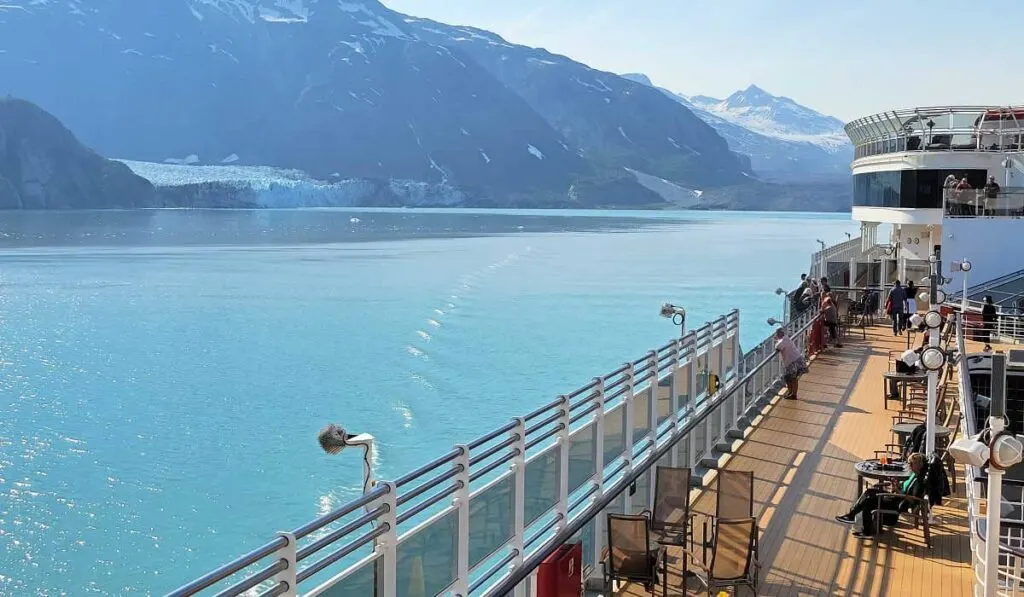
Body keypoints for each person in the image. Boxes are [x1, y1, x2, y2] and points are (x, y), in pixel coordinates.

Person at [835, 452, 927, 538]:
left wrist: (898, 491)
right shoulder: (913, 475)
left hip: (896, 503)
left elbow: (913, 500)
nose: (909, 466)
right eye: (909, 463)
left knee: (870, 501)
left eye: (911, 464)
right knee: (870, 492)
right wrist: (897, 485)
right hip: (895, 497)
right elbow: (905, 489)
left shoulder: (919, 481)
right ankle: (852, 515)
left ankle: (867, 531)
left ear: (918, 465)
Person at [775, 328, 807, 400]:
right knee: (789, 378)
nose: (776, 335)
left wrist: (776, 341)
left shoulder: (783, 340)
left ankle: (793, 394)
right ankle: (791, 393)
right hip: (796, 359)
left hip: (792, 361)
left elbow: (778, 347)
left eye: (777, 334)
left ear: (780, 334)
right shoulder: (786, 338)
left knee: (792, 378)